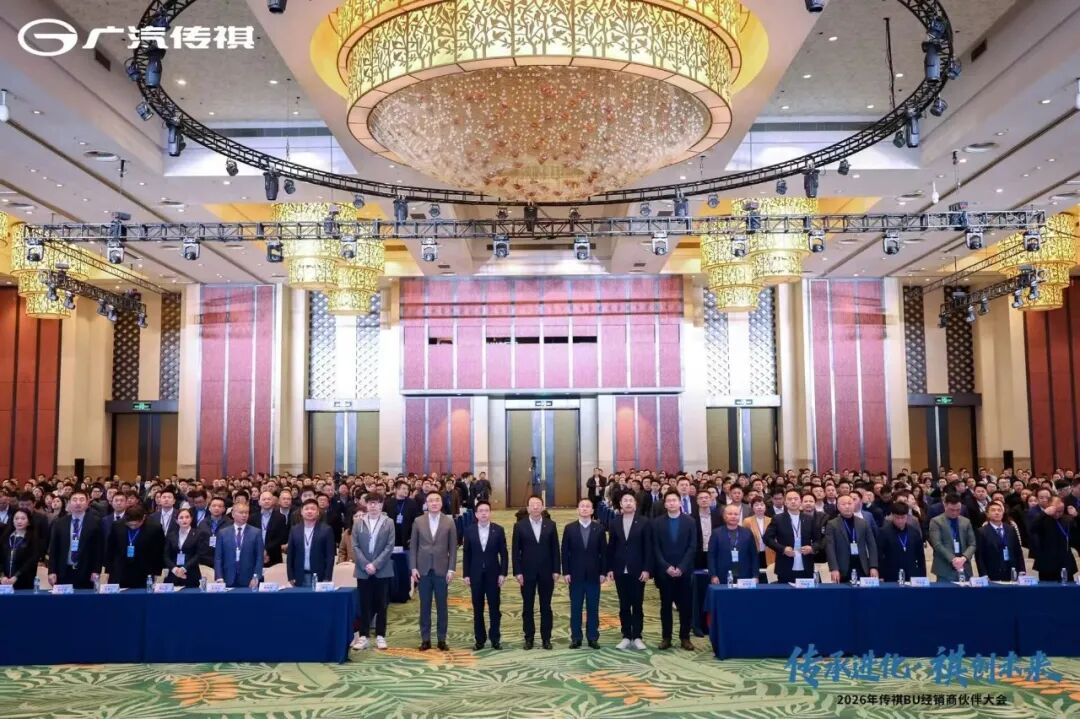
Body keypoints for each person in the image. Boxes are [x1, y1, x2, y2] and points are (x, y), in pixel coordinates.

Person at [410, 491, 458, 651]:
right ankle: (425, 639)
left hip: (442, 569)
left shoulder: (449, 521)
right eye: (431, 500)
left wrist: (451, 569)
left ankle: (441, 639)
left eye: (437, 500)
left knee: (442, 606)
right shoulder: (418, 521)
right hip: (423, 569)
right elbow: (413, 546)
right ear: (427, 504)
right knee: (424, 606)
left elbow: (453, 548)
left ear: (441, 503)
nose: (434, 503)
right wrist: (413, 567)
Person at [512, 495, 560, 650]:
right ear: (527, 508)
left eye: (538, 504)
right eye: (532, 504)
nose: (535, 507)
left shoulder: (550, 525)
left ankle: (546, 638)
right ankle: (529, 638)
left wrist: (556, 569)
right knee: (528, 607)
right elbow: (515, 551)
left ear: (543, 507)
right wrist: (517, 572)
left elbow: (555, 549)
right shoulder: (520, 526)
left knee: (546, 606)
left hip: (547, 572)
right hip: (526, 573)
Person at [606, 492, 651, 650]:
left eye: (631, 500)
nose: (628, 503)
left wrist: (647, 569)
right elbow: (611, 547)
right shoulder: (614, 522)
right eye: (625, 500)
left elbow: (648, 547)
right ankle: (626, 635)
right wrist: (609, 568)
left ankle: (637, 636)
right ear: (620, 504)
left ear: (636, 504)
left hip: (638, 569)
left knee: (637, 604)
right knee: (624, 604)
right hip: (619, 569)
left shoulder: (644, 522)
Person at [651, 490, 695, 651]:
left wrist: (682, 567)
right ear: (665, 504)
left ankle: (685, 637)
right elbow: (655, 547)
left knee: (685, 606)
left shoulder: (690, 521)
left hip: (684, 571)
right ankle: (666, 637)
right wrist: (666, 567)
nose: (671, 503)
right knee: (665, 606)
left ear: (680, 502)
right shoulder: (657, 523)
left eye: (674, 500)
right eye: (668, 501)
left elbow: (692, 546)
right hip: (665, 572)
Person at [561, 498, 607, 649]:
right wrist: (566, 572)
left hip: (594, 575)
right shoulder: (569, 528)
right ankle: (576, 637)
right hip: (575, 575)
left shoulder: (599, 529)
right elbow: (564, 552)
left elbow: (604, 552)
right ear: (578, 510)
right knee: (576, 607)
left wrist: (603, 572)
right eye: (582, 506)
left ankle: (593, 637)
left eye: (588, 506)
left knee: (593, 607)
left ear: (592, 511)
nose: (585, 509)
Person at [462, 500, 508, 650]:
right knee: (478, 608)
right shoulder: (469, 530)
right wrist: (466, 574)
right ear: (476, 514)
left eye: (486, 511)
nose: (483, 513)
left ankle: (495, 638)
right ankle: (479, 640)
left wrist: (503, 573)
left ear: (490, 513)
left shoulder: (498, 530)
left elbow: (504, 554)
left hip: (493, 574)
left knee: (494, 607)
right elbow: (467, 554)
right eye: (480, 511)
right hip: (475, 574)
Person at [353, 493, 396, 651]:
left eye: (376, 503)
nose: (373, 506)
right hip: (363, 569)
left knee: (381, 604)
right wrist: (366, 564)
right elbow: (355, 546)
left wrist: (376, 565)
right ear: (366, 505)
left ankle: (380, 635)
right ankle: (363, 636)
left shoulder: (388, 522)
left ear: (381, 505)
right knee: (364, 603)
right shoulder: (358, 522)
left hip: (382, 569)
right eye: (370, 503)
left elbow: (390, 546)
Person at [47, 488, 103, 590]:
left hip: (86, 572)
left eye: (81, 500)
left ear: (87, 503)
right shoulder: (60, 523)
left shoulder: (95, 523)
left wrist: (96, 570)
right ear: (69, 503)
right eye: (74, 500)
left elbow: (99, 550)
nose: (78, 503)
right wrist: (51, 571)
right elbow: (54, 549)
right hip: (63, 572)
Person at [764, 489, 820, 584]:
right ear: (785, 502)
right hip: (785, 565)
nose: (793, 501)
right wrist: (783, 549)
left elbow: (818, 540)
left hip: (806, 565)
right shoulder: (778, 519)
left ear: (800, 501)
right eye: (789, 499)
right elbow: (767, 538)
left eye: (796, 499)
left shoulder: (809, 519)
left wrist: (812, 548)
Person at [824, 495, 879, 583]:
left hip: (862, 565)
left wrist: (873, 566)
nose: (847, 506)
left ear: (854, 505)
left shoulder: (863, 523)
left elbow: (872, 545)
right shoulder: (832, 524)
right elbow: (830, 548)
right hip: (842, 567)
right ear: (838, 507)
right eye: (843, 504)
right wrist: (834, 568)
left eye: (850, 503)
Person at [108, 505, 165, 589]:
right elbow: (110, 548)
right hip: (120, 570)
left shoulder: (155, 528)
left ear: (143, 518)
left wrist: (157, 572)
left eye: (136, 525)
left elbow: (159, 551)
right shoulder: (116, 526)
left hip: (144, 571)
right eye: (130, 524)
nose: (133, 527)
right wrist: (109, 569)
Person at [928, 493, 977, 582]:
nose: (955, 513)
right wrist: (953, 559)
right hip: (945, 567)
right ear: (945, 505)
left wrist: (964, 558)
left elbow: (972, 544)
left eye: (958, 510)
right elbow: (937, 544)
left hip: (964, 566)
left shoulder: (966, 521)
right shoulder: (936, 521)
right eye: (951, 510)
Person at [287, 498, 336, 587]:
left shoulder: (326, 530)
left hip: (319, 576)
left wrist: (327, 577)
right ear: (301, 512)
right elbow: (290, 555)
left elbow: (330, 556)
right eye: (306, 509)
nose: (309, 511)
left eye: (313, 509)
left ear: (318, 512)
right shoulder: (294, 530)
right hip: (299, 576)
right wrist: (290, 576)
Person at [214, 502, 263, 589]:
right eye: (241, 512)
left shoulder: (256, 532)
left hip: (249, 579)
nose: (244, 515)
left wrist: (256, 576)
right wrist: (219, 577)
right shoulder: (223, 533)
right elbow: (218, 558)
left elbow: (259, 557)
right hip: (227, 578)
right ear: (233, 514)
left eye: (246, 513)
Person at [1029, 497, 1079, 582]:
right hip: (1047, 564)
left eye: (1061, 511)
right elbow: (1032, 528)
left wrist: (1077, 516)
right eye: (1056, 511)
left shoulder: (1067, 520)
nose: (1058, 514)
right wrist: (1044, 513)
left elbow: (1077, 536)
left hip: (1065, 563)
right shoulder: (1042, 519)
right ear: (1049, 507)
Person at [708, 504, 759, 584]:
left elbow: (754, 555)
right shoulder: (716, 533)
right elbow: (711, 556)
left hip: (745, 574)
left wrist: (755, 575)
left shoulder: (747, 533)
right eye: (730, 514)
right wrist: (713, 575)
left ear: (739, 516)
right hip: (722, 574)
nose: (733, 516)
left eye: (736, 514)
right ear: (724, 516)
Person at [975, 501, 1025, 581]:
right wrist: (983, 574)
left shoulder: (1010, 529)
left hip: (1011, 570)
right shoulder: (982, 531)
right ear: (987, 514)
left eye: (999, 510)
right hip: (992, 572)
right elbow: (979, 556)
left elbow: (1018, 551)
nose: (997, 512)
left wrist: (1022, 570)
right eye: (993, 510)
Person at [877, 501, 926, 582]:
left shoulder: (914, 532)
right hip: (891, 574)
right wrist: (881, 575)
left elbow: (920, 556)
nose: (900, 521)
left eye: (903, 517)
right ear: (892, 516)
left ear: (907, 516)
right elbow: (880, 555)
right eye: (897, 518)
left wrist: (923, 575)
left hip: (912, 573)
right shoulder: (884, 532)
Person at [1, 509, 41, 589]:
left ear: (29, 522)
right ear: (12, 521)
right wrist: (2, 576)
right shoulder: (6, 537)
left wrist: (16, 576)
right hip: (4, 581)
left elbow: (32, 560)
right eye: (16, 518)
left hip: (24, 580)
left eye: (23, 518)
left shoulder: (34, 538)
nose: (19, 521)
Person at [164, 508, 202, 588]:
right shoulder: (171, 535)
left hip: (191, 573)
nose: (184, 520)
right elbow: (165, 555)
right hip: (174, 573)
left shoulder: (198, 534)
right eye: (181, 518)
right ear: (176, 521)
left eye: (187, 517)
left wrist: (184, 568)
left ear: (191, 519)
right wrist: (175, 569)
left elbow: (198, 555)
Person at [252, 491, 289, 567]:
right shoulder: (252, 518)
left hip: (274, 555)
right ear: (259, 502)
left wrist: (266, 550)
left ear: (273, 501)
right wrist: (260, 550)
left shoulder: (280, 517)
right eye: (264, 499)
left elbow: (281, 538)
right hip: (255, 554)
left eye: (269, 499)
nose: (266, 501)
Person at [743, 498, 773, 584]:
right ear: (752, 508)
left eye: (762, 505)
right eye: (756, 505)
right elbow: (744, 538)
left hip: (769, 552)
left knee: (768, 577)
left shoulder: (771, 520)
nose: (759, 507)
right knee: (756, 576)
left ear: (765, 507)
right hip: (754, 552)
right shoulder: (747, 521)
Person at [691, 490, 722, 571]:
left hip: (715, 552)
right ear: (697, 501)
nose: (704, 500)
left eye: (706, 498)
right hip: (698, 553)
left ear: (711, 500)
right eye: (701, 498)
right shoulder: (691, 518)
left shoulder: (718, 516)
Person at [196, 497, 231, 567]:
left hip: (224, 560)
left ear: (224, 509)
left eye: (220, 506)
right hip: (205, 561)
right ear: (209, 508)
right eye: (214, 506)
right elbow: (199, 543)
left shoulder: (230, 524)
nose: (216, 508)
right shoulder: (203, 523)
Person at [391, 482, 421, 548]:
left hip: (407, 534)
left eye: (407, 489)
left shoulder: (412, 503)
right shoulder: (389, 502)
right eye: (404, 488)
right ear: (396, 489)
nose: (406, 491)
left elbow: (416, 520)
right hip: (392, 534)